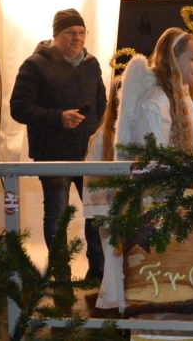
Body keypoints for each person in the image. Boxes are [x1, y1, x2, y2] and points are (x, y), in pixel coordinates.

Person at [112, 27, 193, 339]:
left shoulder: (188, 99)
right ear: (173, 59)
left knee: (189, 285)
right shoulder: (156, 101)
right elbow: (154, 159)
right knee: (164, 284)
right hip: (162, 209)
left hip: (187, 206)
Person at [9, 8, 106, 280]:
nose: (77, 38)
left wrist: (98, 133)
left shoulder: (92, 64)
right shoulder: (34, 65)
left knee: (96, 212)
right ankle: (61, 274)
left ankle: (97, 272)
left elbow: (102, 104)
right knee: (56, 216)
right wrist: (58, 118)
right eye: (70, 32)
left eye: (81, 32)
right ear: (56, 35)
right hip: (53, 155)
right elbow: (19, 108)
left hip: (89, 155)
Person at [82, 74, 123, 310]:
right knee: (114, 259)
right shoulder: (102, 138)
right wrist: (100, 211)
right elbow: (92, 176)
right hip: (112, 211)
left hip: (140, 209)